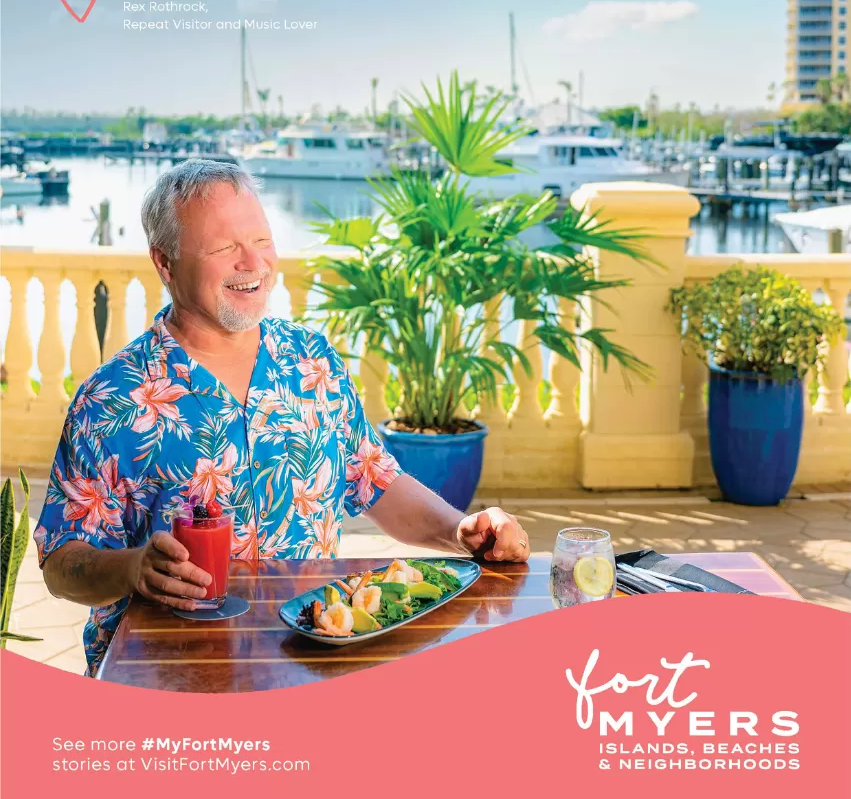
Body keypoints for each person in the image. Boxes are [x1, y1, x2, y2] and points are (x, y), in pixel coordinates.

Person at [35, 160, 530, 675]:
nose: (253, 263)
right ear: (166, 262)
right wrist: (133, 568)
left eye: (262, 240)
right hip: (166, 678)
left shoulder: (313, 362)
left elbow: (373, 480)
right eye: (224, 248)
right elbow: (63, 564)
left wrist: (463, 530)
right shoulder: (110, 397)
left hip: (311, 666)